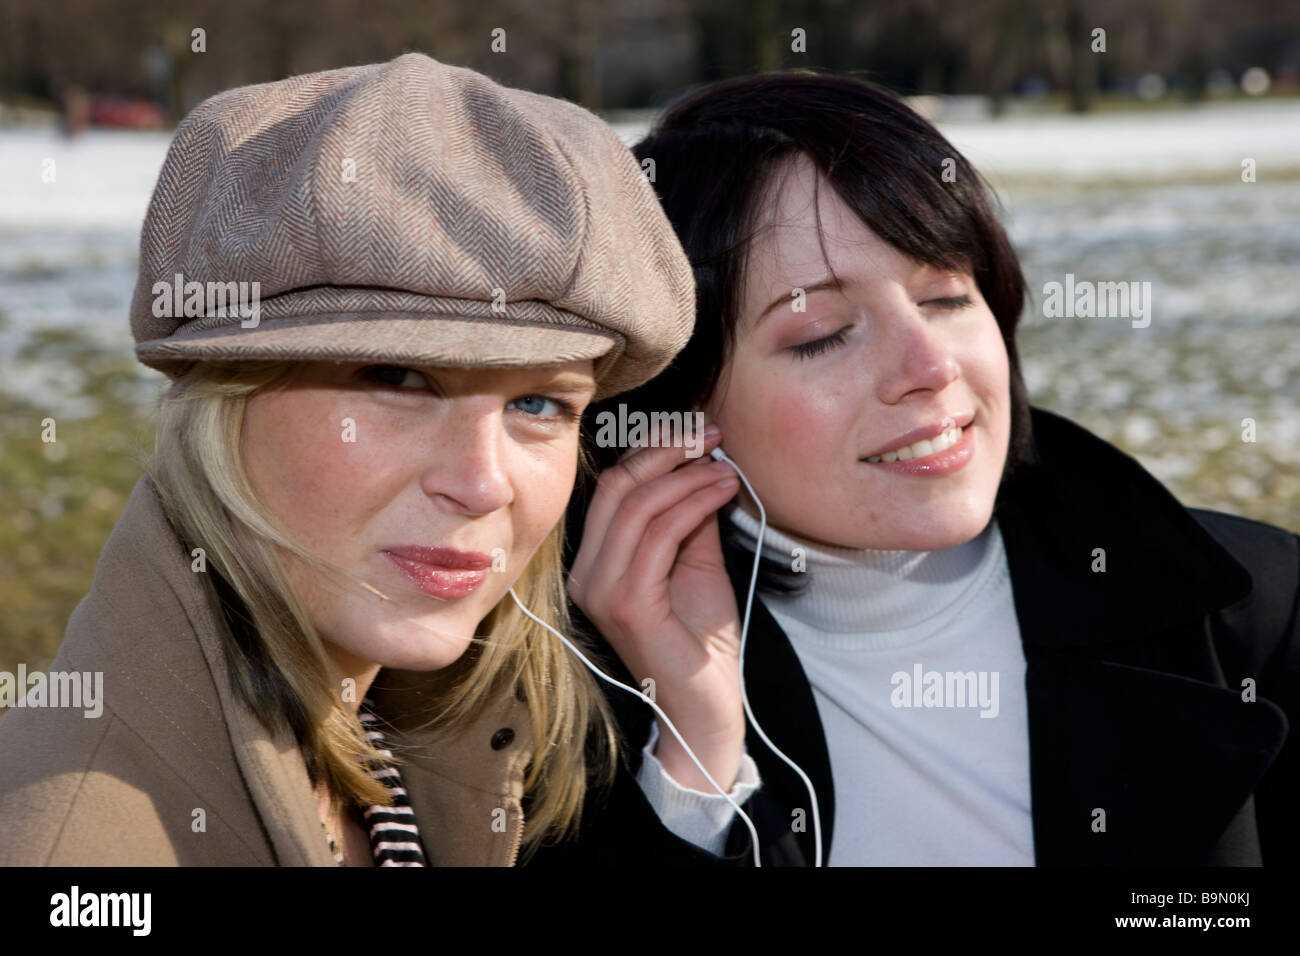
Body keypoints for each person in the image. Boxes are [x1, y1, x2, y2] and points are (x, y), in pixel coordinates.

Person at [538, 71, 1298, 866]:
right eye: (822, 334)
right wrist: (698, 760)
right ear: (681, 415)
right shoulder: (554, 702)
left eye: (945, 297)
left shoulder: (1251, 616)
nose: (930, 364)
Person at [0, 51, 723, 866]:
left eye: (538, 405)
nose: (482, 482)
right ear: (220, 400)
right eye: (397, 379)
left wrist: (700, 743)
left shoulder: (423, 742)